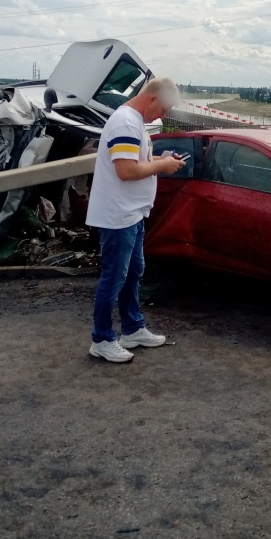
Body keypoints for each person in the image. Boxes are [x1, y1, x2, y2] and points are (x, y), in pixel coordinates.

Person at [86, 77, 186, 362]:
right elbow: (126, 171)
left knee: (132, 273)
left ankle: (132, 328)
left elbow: (137, 161)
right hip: (119, 215)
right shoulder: (126, 123)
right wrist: (162, 166)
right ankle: (102, 338)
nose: (163, 116)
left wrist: (160, 159)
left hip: (132, 213)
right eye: (164, 109)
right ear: (152, 98)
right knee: (114, 278)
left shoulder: (134, 122)